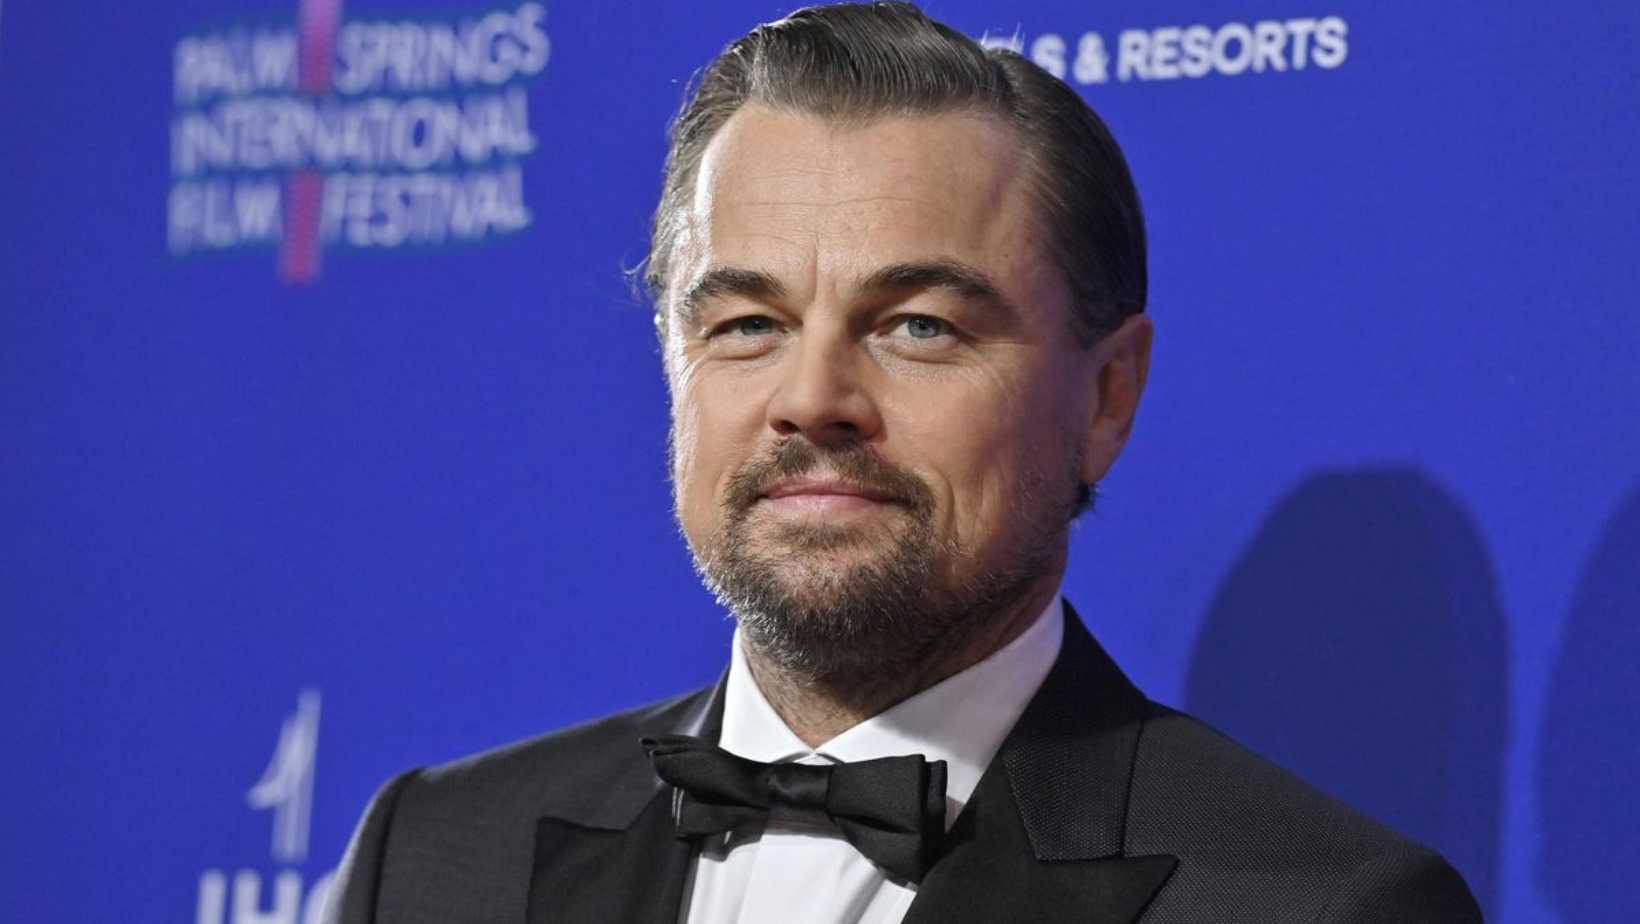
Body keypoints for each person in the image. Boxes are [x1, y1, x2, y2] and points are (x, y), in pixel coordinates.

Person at [323, 3, 1482, 921]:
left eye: (917, 325)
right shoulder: (431, 860)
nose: (811, 401)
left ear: (1104, 396)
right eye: (747, 324)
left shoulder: (1315, 907)